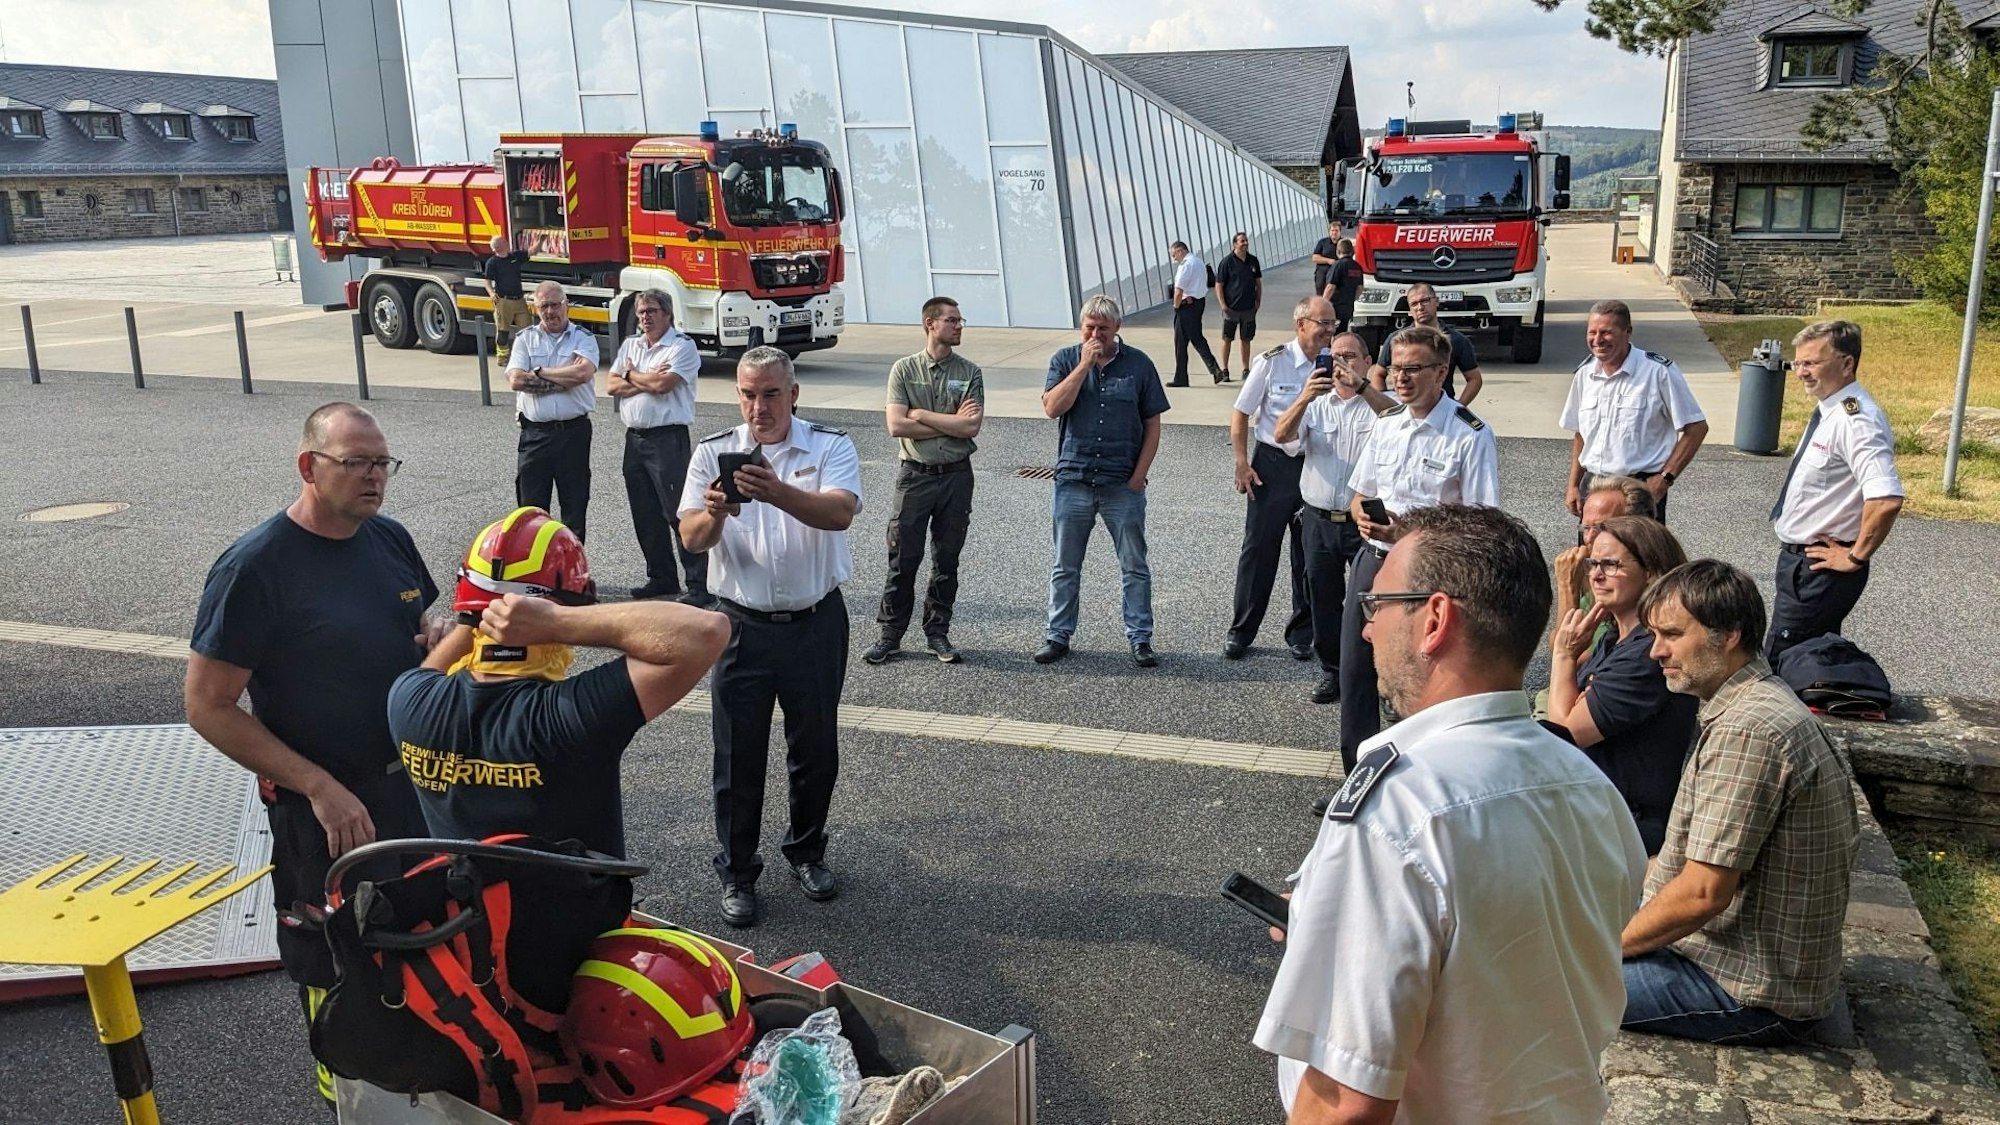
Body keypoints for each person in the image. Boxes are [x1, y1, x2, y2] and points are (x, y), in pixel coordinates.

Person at [1256, 504, 1645, 1124]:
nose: (1365, 632)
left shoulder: (1397, 811)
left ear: (1434, 618)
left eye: (1375, 606)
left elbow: (1345, 1104)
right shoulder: (1589, 786)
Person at [184, 402, 439, 1106]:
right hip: (323, 811)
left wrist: (438, 635)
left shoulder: (389, 539)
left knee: (422, 934)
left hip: (409, 790)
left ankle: (420, 1081)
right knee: (335, 958)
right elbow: (207, 705)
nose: (375, 477)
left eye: (382, 462)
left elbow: (421, 627)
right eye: (356, 462)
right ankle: (344, 1094)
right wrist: (314, 782)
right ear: (309, 466)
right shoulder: (255, 568)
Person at [388, 506, 729, 857]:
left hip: (464, 908)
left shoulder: (408, 700)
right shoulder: (570, 716)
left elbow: (454, 641)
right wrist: (560, 621)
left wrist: (478, 614)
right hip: (572, 909)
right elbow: (706, 630)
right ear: (555, 609)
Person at [1622, 560, 1859, 1045]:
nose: (1655, 652)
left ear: (1728, 635)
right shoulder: (1752, 703)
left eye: (1671, 634)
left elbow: (1703, 894)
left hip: (1744, 990)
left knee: (1540, 979)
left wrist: (1600, 951)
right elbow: (1685, 869)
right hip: (1732, 959)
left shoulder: (1748, 732)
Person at [678, 346, 862, 929]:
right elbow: (690, 538)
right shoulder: (712, 453)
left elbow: (839, 514)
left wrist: (776, 490)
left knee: (815, 750)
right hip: (740, 625)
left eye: (770, 394)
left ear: (793, 393)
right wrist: (718, 512)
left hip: (815, 622)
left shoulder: (829, 446)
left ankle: (807, 853)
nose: (759, 407)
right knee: (737, 754)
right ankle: (736, 871)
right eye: (748, 394)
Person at [1338, 324, 1499, 772]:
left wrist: (1409, 533)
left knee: (1419, 676)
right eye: (1395, 370)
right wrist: (1361, 515)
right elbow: (1358, 493)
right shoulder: (1387, 424)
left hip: (1429, 575)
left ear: (1442, 371)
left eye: (1413, 369)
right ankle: (1356, 774)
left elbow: (1481, 521)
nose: (1400, 379)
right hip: (1374, 562)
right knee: (1356, 670)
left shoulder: (1469, 434)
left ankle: (1417, 778)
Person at [1546, 515, 1697, 855]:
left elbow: (1563, 733)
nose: (1596, 574)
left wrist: (1564, 657)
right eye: (1593, 563)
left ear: (1652, 573)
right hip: (1596, 810)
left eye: (1611, 565)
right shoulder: (1615, 639)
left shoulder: (1648, 654)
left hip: (1624, 826)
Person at [1036, 294, 1171, 668]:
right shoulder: (1065, 359)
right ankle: (1057, 635)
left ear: (1117, 329)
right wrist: (1082, 367)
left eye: (1103, 329)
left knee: (1133, 565)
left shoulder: (1139, 365)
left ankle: (1140, 638)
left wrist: (1139, 476)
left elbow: (1153, 424)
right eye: (1089, 328)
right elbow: (1052, 408)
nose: (1095, 335)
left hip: (1121, 484)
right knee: (1065, 565)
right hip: (1074, 480)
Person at [1766, 319, 1903, 662]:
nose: (1801, 372)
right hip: (1803, 564)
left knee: (1780, 663)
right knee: (1805, 661)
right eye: (1798, 363)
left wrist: (1855, 556)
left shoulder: (1856, 420)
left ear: (1847, 364)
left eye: (1812, 363)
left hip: (1820, 567)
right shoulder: (1830, 411)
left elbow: (1886, 499)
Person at [1273, 331, 1393, 705]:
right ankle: (1333, 671)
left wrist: (1362, 388)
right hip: (1319, 518)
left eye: (1350, 356)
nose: (1342, 363)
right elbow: (1281, 435)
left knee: (1370, 599)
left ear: (1367, 361)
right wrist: (1305, 396)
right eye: (1336, 356)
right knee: (1322, 597)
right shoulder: (1317, 404)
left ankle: (1372, 670)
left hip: (1364, 523)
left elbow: (1397, 418)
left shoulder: (1375, 407)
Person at [866, 296, 983, 666]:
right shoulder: (903, 370)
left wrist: (920, 414)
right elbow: (896, 425)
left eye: (960, 320)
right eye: (952, 320)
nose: (959, 325)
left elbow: (970, 426)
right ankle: (890, 635)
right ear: (930, 324)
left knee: (947, 559)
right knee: (903, 558)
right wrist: (945, 421)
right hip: (915, 476)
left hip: (956, 477)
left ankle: (937, 633)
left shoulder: (970, 372)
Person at [1223, 296, 1329, 664]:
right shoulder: (1272, 363)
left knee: (1308, 555)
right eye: (1324, 323)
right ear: (1301, 324)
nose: (1331, 330)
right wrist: (1241, 462)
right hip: (1271, 466)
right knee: (1258, 551)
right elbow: (1241, 412)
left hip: (1312, 465)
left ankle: (1303, 633)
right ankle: (1241, 631)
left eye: (1333, 323)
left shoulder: (1334, 365)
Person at [1560, 298, 1709, 523]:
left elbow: (1696, 428)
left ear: (1627, 332)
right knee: (1593, 556)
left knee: (1638, 557)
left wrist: (1665, 478)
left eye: (1606, 332)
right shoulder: (1585, 374)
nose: (1597, 340)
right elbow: (1581, 435)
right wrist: (1573, 485)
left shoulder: (1658, 372)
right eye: (1592, 332)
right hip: (1594, 486)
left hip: (1638, 489)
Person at [609, 289, 709, 605]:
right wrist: (640, 377)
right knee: (645, 512)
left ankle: (699, 585)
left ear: (667, 313)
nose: (645, 317)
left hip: (668, 439)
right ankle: (661, 577)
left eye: (652, 311)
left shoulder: (682, 346)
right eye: (641, 312)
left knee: (678, 511)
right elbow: (611, 385)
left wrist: (631, 375)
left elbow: (664, 385)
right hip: (634, 439)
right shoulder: (631, 345)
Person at [507, 279, 600, 541]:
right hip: (535, 434)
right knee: (531, 511)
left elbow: (582, 373)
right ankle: (535, 573)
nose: (551, 311)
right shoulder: (525, 340)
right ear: (536, 309)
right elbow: (516, 380)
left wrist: (538, 373)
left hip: (573, 433)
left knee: (575, 504)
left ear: (566, 304)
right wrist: (563, 380)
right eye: (544, 306)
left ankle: (572, 574)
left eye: (555, 304)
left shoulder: (583, 338)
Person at [1552, 473, 1657, 630]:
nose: (1588, 538)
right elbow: (1558, 646)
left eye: (1601, 528)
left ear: (1640, 527)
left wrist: (1568, 587)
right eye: (1585, 528)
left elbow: (1573, 651)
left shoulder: (1625, 591)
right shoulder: (1597, 581)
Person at [1367, 282, 1483, 405]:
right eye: (1414, 304)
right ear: (1410, 309)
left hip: (1442, 408)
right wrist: (1387, 406)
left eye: (1425, 301)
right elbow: (1378, 375)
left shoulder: (1456, 340)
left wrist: (1458, 408)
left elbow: (1474, 379)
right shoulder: (1396, 340)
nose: (1420, 307)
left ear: (1437, 301)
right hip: (1406, 408)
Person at [1167, 240, 1224, 386]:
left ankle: (1183, 378)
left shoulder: (1185, 265)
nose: (1174, 259)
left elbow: (1178, 290)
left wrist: (1176, 306)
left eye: (1174, 255)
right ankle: (1213, 370)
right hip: (1198, 303)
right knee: (1195, 338)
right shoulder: (1198, 262)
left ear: (1180, 250)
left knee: (1181, 342)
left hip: (1187, 306)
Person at [1213, 231, 1263, 381]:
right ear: (1235, 244)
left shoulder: (1253, 261)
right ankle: (1225, 370)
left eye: (1246, 240)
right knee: (1227, 339)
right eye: (1242, 241)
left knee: (1246, 339)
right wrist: (1223, 305)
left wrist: (1258, 301)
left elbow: (1258, 283)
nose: (1245, 243)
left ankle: (1245, 369)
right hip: (1231, 309)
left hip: (1248, 308)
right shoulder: (1227, 262)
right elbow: (1219, 285)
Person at [480, 234, 532, 359]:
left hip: (519, 300)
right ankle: (502, 356)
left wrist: (541, 241)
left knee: (527, 329)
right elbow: (487, 282)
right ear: (499, 247)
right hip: (503, 301)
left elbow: (531, 252)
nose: (507, 242)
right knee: (503, 330)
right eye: (504, 241)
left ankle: (527, 355)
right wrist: (492, 294)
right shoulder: (492, 263)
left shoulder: (515, 257)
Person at [1323, 239, 1363, 334]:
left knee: (1328, 333)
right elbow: (1360, 288)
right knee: (1341, 332)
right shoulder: (1357, 267)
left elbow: (1331, 287)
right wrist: (1352, 299)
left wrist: (1323, 303)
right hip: (1348, 307)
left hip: (1334, 307)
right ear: (1352, 251)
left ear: (1338, 251)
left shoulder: (1338, 265)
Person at [1309, 222, 1342, 299]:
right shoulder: (1322, 242)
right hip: (1322, 273)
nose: (1334, 232)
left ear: (1340, 232)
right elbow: (1315, 258)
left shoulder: (1343, 243)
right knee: (1320, 294)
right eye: (1332, 230)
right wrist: (1328, 261)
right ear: (1329, 232)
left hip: (1338, 273)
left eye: (1336, 230)